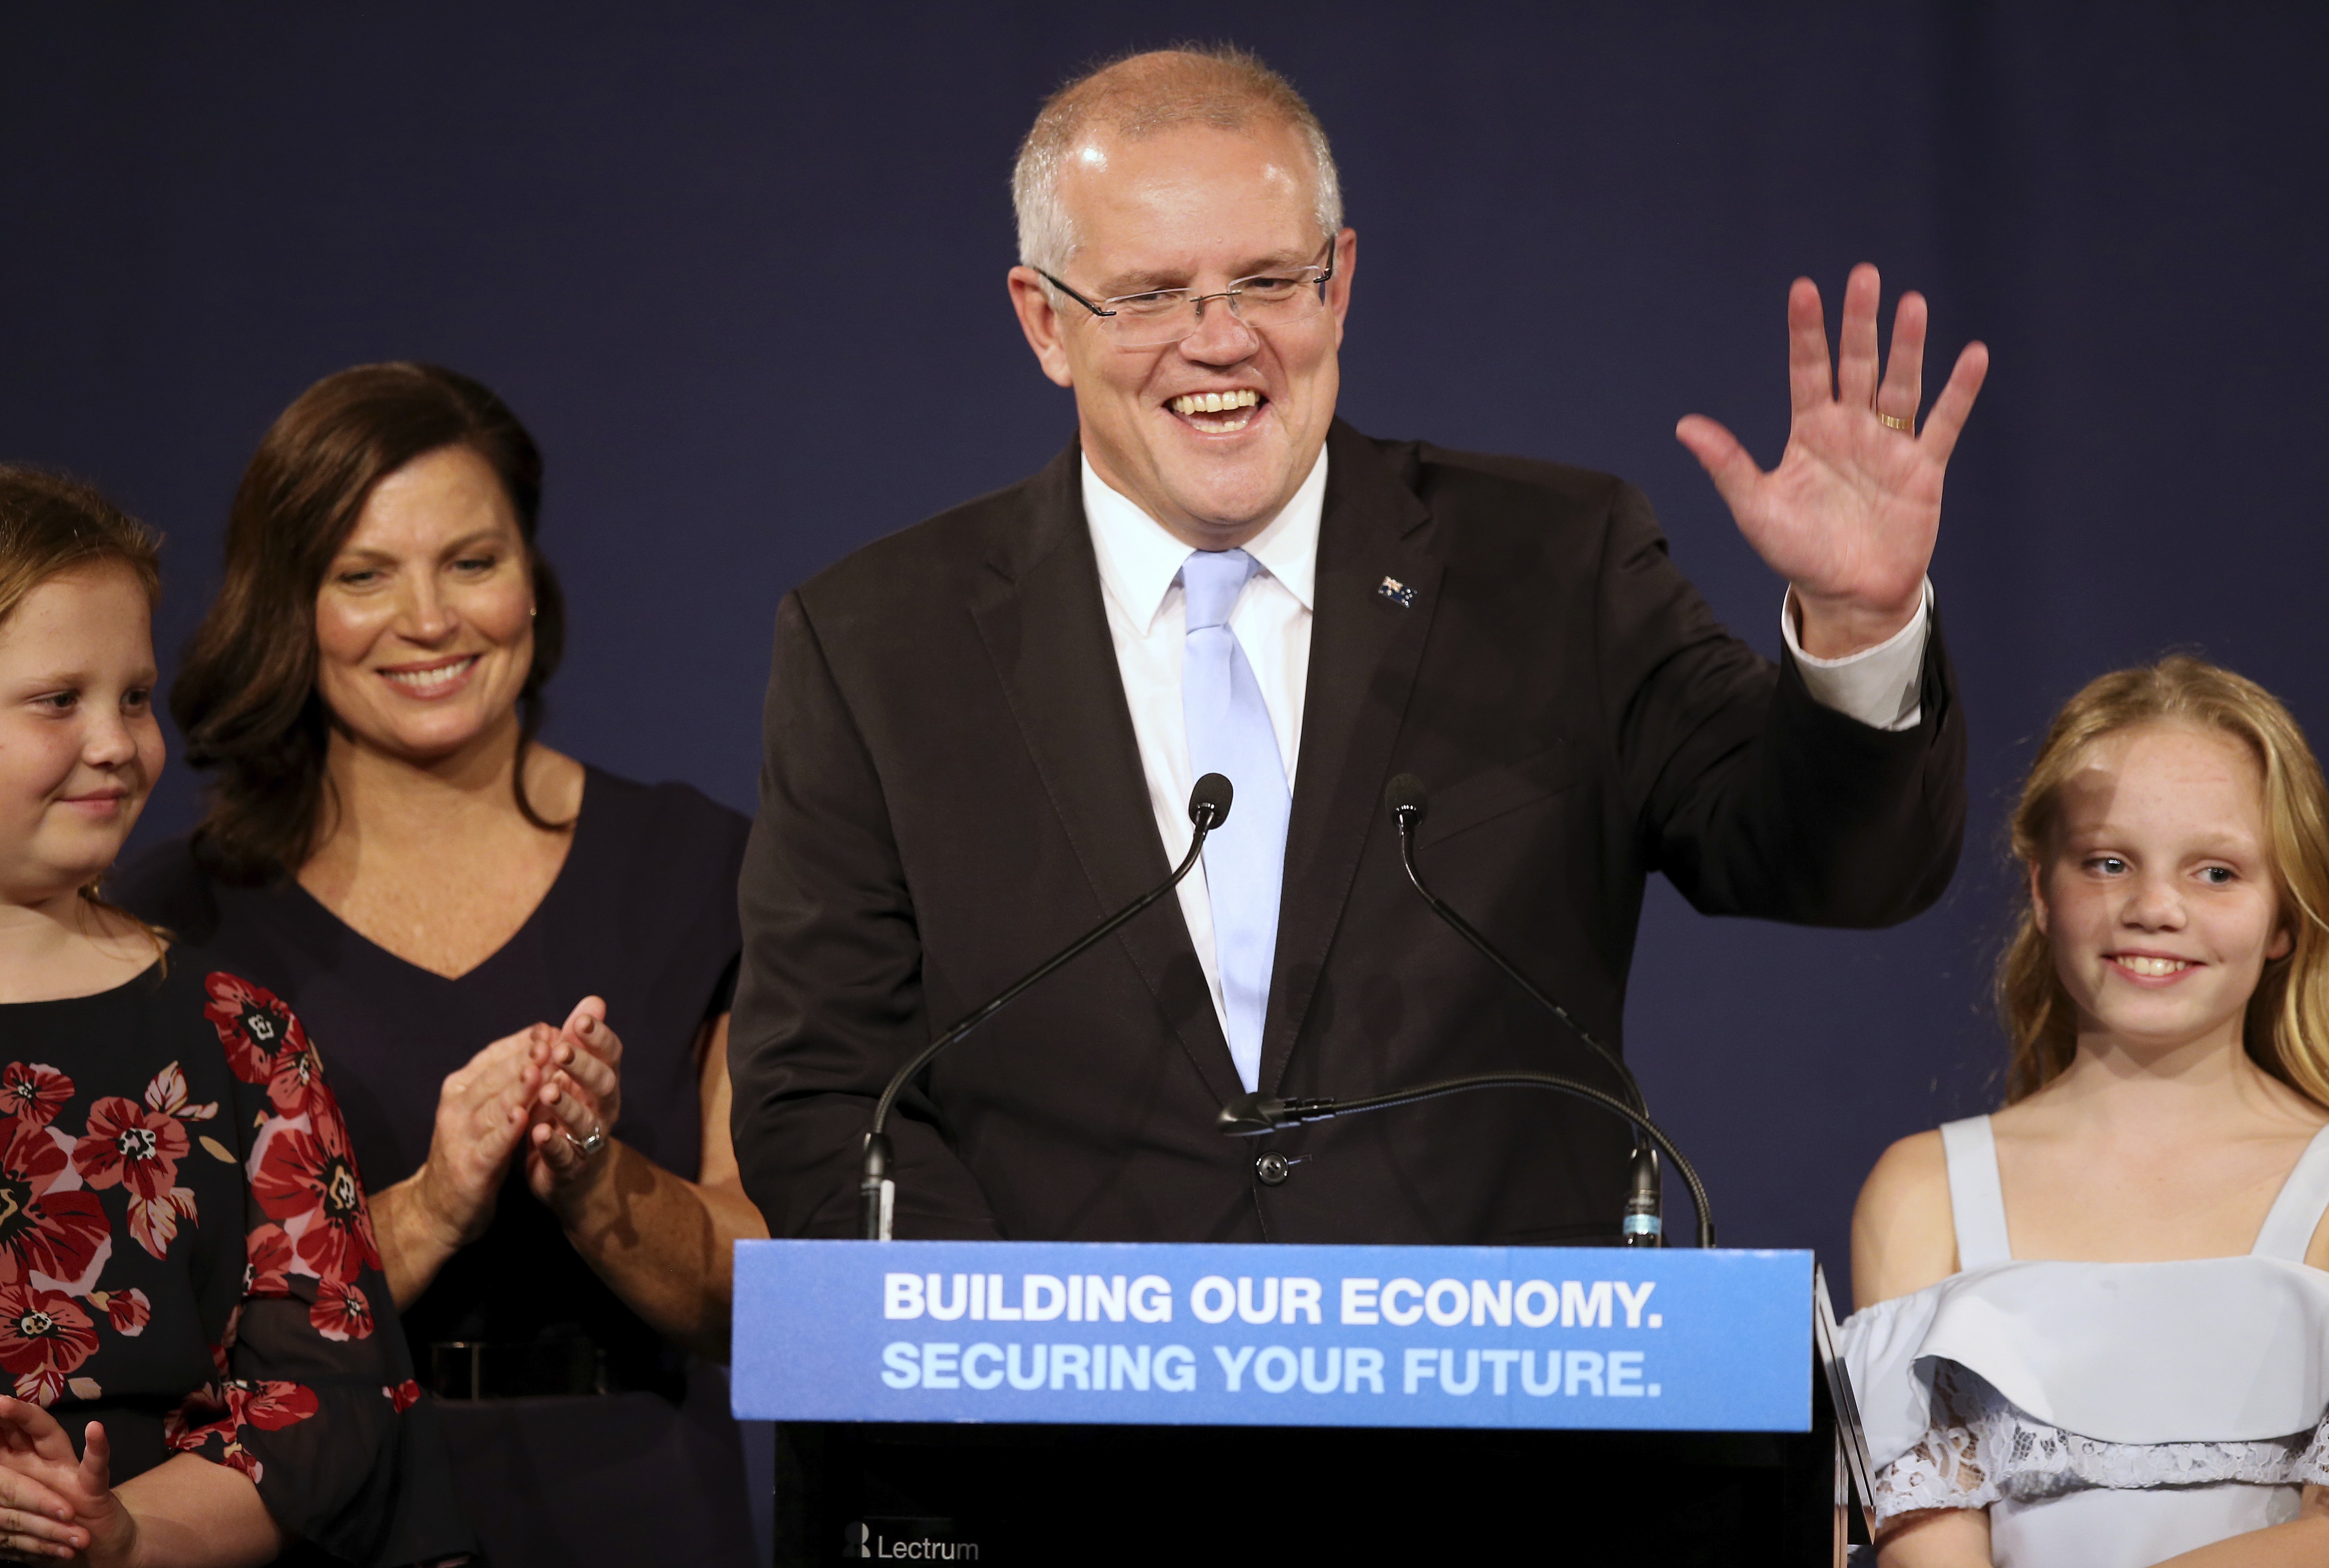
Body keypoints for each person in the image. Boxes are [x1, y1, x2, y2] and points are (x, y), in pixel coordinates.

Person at [731, 44, 1988, 1242]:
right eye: (1150, 294)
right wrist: (1043, 1351)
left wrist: (1861, 626)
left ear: (1338, 280)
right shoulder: (881, 642)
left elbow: (1835, 867)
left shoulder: (1551, 565)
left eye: (1269, 281)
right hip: (1054, 1447)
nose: (1219, 339)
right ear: (1046, 323)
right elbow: (821, 1088)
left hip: (1485, 1429)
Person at [118, 364, 768, 1568]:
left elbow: (772, 1298)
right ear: (289, 604)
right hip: (317, 1515)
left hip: (643, 1510)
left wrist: (595, 1176)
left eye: (473, 562)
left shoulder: (705, 869)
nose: (429, 620)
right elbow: (151, 1337)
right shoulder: (171, 923)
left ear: (533, 582)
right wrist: (425, 1207)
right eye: (363, 575)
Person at [0, 465, 469, 1565]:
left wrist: (126, 1533)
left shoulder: (238, 1035)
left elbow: (326, 1394)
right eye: (60, 700)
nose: (117, 742)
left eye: (136, 697)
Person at [1842, 657, 2329, 1566]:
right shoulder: (1922, 1193)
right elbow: (1929, 1552)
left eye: (2217, 872)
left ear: (2283, 920)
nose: (2154, 907)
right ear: (2041, 890)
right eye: (2108, 863)